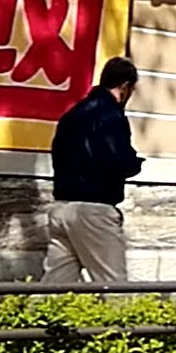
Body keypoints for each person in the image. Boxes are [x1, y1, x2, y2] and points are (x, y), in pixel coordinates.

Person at [43, 56, 143, 284]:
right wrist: (135, 163)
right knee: (114, 286)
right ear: (125, 86)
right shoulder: (111, 115)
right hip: (94, 209)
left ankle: (40, 318)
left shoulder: (72, 114)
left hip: (62, 208)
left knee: (55, 286)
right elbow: (115, 159)